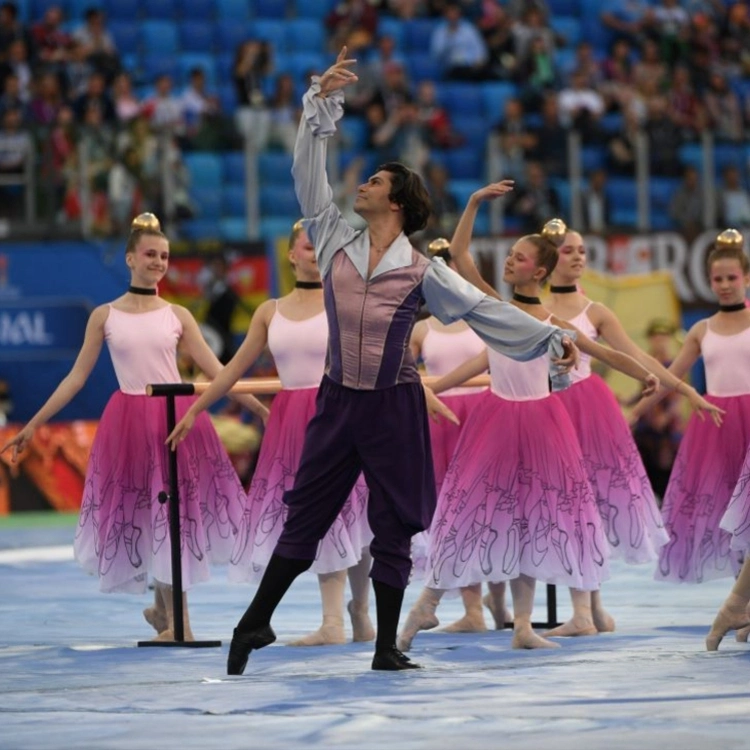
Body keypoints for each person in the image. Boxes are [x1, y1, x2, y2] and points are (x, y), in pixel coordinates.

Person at [166, 48, 579, 674]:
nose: (362, 185)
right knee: (305, 515)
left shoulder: (423, 269)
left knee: (394, 525)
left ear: (399, 204)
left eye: (376, 182)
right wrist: (318, 104)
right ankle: (255, 621)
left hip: (394, 406)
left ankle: (386, 646)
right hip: (338, 401)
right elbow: (307, 173)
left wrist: (549, 339)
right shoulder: (333, 235)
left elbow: (484, 312)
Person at [398, 205, 661, 654]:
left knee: (532, 521)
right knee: (466, 511)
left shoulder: (554, 325)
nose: (508, 261)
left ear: (538, 271)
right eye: (510, 255)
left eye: (518, 257)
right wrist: (475, 201)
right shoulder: (495, 309)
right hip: (497, 420)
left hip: (541, 423)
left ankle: (522, 625)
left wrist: (645, 375)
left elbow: (605, 352)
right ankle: (429, 601)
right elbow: (460, 255)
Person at [0, 213, 268, 641]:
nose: (158, 262)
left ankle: (177, 621)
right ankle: (165, 613)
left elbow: (218, 371)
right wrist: (33, 425)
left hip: (176, 421)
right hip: (130, 424)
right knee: (150, 514)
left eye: (164, 256)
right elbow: (75, 378)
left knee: (175, 516)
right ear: (130, 259)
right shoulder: (105, 316)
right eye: (150, 255)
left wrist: (259, 407)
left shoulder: (178, 315)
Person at [543, 225, 721, 637]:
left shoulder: (596, 311)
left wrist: (685, 390)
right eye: (568, 250)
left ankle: (585, 611)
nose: (578, 257)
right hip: (547, 408)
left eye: (582, 250)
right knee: (566, 507)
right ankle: (592, 610)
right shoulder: (532, 307)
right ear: (548, 257)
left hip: (586, 409)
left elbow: (638, 357)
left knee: (582, 505)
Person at [226, 219, 375, 647]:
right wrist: (199, 406)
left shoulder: (344, 302)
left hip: (338, 411)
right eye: (309, 247)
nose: (316, 254)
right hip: (292, 420)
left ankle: (356, 611)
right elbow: (233, 369)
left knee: (357, 513)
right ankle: (334, 620)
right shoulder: (269, 311)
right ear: (291, 255)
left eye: (322, 247)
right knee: (317, 514)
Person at [631, 229, 748, 587]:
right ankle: (742, 597)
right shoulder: (701, 329)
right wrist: (633, 412)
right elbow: (669, 379)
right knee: (727, 510)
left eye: (731, 278)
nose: (724, 285)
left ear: (746, 278)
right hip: (718, 425)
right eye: (718, 279)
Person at [409, 237, 491, 633]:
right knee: (454, 513)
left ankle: (498, 602)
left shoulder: (486, 318)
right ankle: (474, 608)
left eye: (449, 266)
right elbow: (398, 370)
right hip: (440, 423)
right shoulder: (420, 329)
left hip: (484, 419)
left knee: (492, 508)